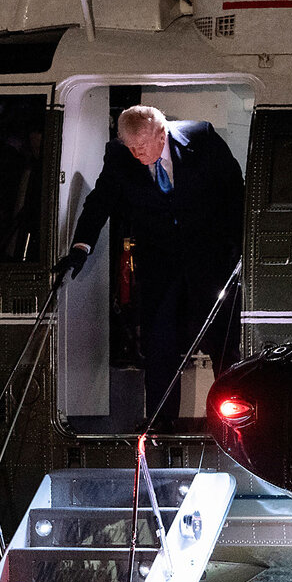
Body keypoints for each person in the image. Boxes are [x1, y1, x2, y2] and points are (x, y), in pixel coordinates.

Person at [56, 105, 244, 430]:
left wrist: (241, 248)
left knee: (222, 341)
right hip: (159, 264)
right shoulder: (120, 156)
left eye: (143, 147)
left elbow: (235, 193)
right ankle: (161, 423)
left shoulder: (202, 138)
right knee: (160, 343)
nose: (138, 154)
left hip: (210, 260)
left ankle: (233, 423)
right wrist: (80, 246)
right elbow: (99, 202)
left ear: (162, 133)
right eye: (132, 148)